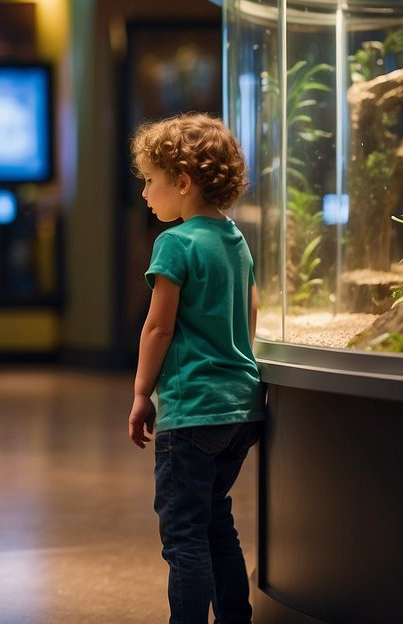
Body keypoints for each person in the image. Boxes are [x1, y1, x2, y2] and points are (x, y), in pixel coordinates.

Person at [127, 112, 265, 624]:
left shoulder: (176, 244)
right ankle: (235, 616)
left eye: (150, 181)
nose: (144, 192)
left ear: (182, 182)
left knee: (183, 535)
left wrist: (143, 394)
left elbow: (157, 328)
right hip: (240, 410)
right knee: (214, 521)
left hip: (192, 413)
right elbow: (250, 314)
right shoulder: (235, 240)